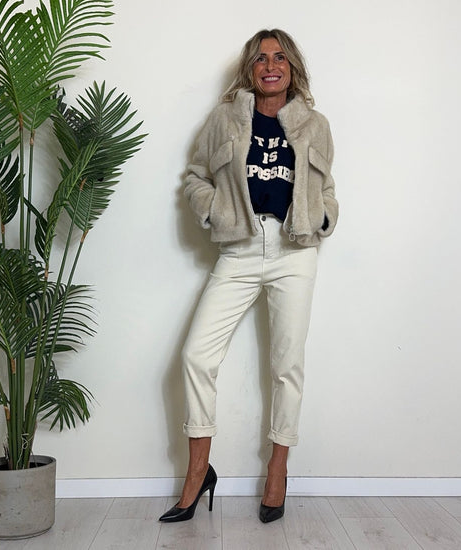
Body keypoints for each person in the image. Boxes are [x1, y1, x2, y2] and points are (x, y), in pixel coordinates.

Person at [159, 28, 338, 524]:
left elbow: (327, 188)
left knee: (287, 366)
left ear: (292, 68)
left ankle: (278, 469)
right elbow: (195, 176)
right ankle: (198, 471)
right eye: (260, 59)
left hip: (293, 250)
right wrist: (214, 209)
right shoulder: (224, 119)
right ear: (250, 70)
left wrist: (324, 216)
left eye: (279, 57)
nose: (270, 65)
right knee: (196, 356)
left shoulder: (315, 124)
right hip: (239, 248)